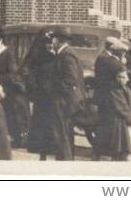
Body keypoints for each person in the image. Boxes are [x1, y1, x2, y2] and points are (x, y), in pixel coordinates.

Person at [49, 28, 86, 161]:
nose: (52, 42)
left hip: (63, 101)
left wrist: (56, 92)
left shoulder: (67, 54)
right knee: (64, 134)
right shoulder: (64, 53)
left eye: (53, 39)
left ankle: (65, 163)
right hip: (64, 101)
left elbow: (70, 80)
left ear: (58, 40)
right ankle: (65, 161)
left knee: (62, 134)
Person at [0, 30, 29, 148]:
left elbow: (13, 74)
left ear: (0, 40)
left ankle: (15, 139)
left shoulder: (7, 54)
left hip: (6, 91)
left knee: (8, 115)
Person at [93, 36, 130, 159]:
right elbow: (121, 80)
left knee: (104, 126)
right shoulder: (109, 60)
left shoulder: (104, 58)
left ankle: (101, 151)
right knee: (109, 127)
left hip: (103, 96)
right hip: (109, 97)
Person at [21, 30, 55, 159]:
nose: (50, 45)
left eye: (51, 43)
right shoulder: (37, 55)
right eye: (47, 43)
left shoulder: (56, 55)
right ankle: (39, 145)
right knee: (41, 118)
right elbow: (26, 70)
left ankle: (50, 145)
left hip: (51, 92)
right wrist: (34, 86)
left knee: (50, 119)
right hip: (41, 93)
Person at [97, 57, 131, 161]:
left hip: (125, 123)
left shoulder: (126, 89)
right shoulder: (114, 90)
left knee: (125, 151)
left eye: (123, 77)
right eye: (118, 77)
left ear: (127, 78)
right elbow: (121, 107)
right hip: (118, 124)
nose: (121, 79)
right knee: (122, 150)